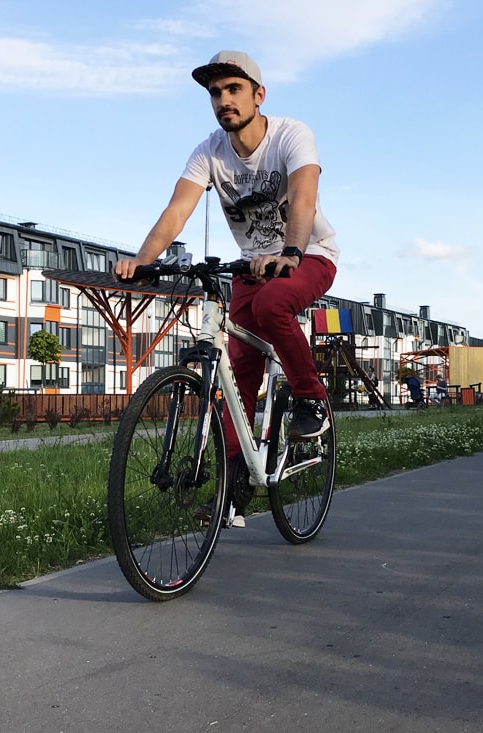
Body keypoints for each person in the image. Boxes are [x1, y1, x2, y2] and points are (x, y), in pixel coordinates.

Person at [114, 51, 339, 522]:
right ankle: (233, 490)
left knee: (274, 304)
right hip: (248, 269)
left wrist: (291, 252)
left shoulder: (292, 135)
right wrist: (142, 260)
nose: (223, 100)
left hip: (309, 255)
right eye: (215, 93)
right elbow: (177, 211)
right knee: (237, 375)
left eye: (233, 89)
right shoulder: (210, 151)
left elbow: (303, 198)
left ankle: (311, 398)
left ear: (259, 95)